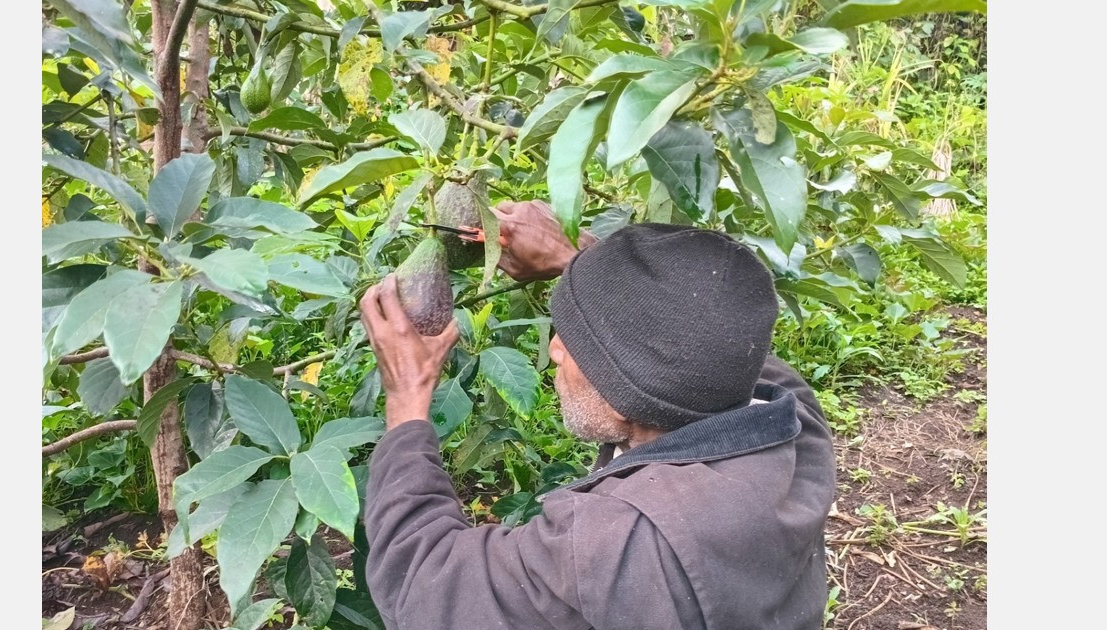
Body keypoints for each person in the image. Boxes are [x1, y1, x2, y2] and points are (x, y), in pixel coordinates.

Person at [356, 199, 837, 630]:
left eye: (576, 343)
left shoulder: (617, 543)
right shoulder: (792, 429)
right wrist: (581, 261)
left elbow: (421, 582)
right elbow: (707, 327)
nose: (555, 348)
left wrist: (407, 397)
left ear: (627, 392)